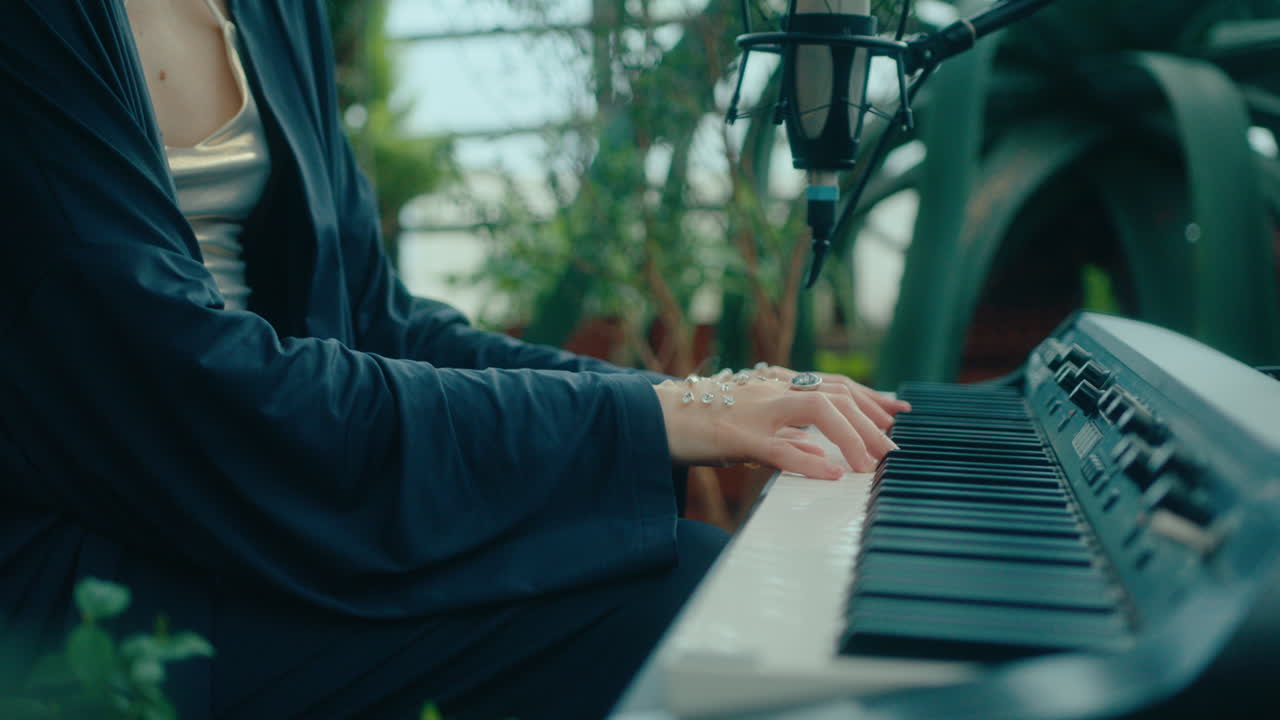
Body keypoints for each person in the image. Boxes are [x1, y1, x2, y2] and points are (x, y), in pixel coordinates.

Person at [0, 1, 908, 717]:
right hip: (88, 567)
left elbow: (372, 318)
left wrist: (684, 397)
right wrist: (658, 418)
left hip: (261, 500)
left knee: (698, 579)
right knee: (688, 610)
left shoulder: (269, 9)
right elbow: (179, 386)